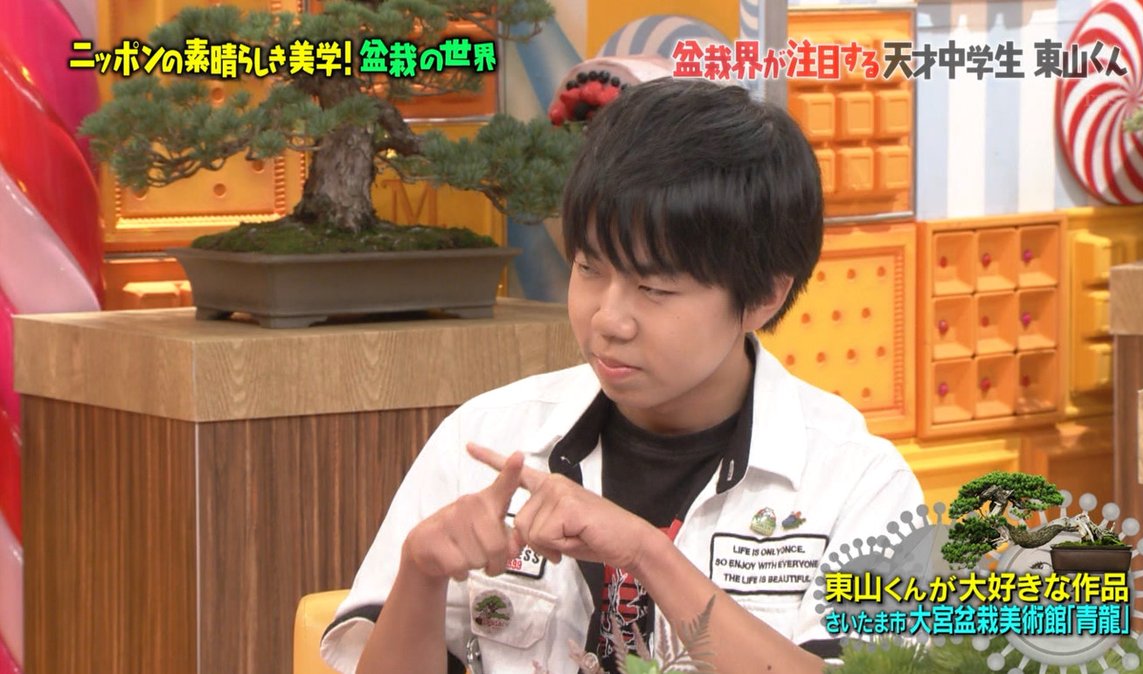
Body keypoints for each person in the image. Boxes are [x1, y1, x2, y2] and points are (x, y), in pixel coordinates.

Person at [320, 77, 924, 674]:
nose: (608, 320)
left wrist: (645, 553)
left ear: (764, 296)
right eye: (589, 268)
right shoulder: (484, 439)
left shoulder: (858, 483)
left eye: (654, 287)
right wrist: (420, 573)